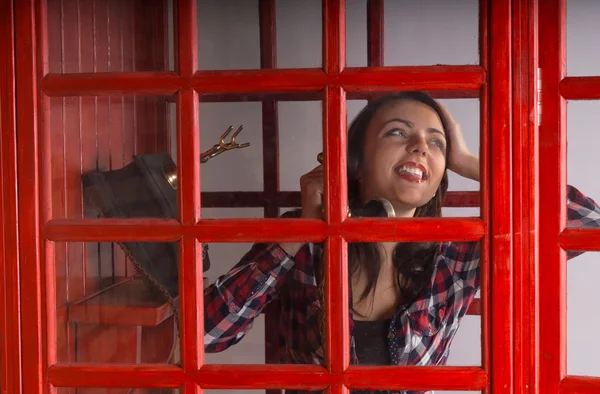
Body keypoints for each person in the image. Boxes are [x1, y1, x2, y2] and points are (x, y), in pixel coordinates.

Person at [202, 92, 600, 394]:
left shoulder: (459, 251)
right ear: (355, 159)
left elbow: (587, 223)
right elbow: (207, 334)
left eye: (436, 142)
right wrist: (303, 231)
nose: (420, 147)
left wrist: (471, 162)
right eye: (398, 132)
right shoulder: (302, 240)